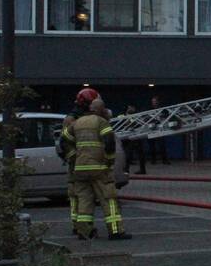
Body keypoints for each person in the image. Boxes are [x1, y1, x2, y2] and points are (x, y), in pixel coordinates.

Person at [61, 97, 131, 240]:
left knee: (84, 199)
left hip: (80, 169)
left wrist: (73, 157)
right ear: (100, 110)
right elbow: (109, 141)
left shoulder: (77, 122)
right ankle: (116, 231)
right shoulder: (101, 122)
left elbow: (64, 140)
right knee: (109, 198)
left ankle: (84, 231)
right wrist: (109, 161)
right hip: (99, 168)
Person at [57, 87, 100, 237]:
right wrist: (74, 158)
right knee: (79, 195)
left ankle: (81, 226)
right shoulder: (71, 119)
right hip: (77, 163)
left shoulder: (82, 117)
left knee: (82, 196)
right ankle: (79, 226)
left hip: (82, 162)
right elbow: (64, 143)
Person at [124, 105, 147, 175]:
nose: (129, 109)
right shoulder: (127, 115)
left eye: (130, 108)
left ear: (134, 108)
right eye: (128, 108)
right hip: (131, 137)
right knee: (130, 154)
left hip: (136, 137)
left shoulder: (136, 116)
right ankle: (126, 170)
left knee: (131, 153)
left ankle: (127, 170)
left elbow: (134, 124)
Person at [147, 96, 170, 164]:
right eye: (153, 102)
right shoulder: (149, 109)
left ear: (158, 102)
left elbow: (167, 115)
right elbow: (146, 118)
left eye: (155, 101)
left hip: (160, 129)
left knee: (162, 145)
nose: (154, 103)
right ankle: (153, 160)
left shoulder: (162, 109)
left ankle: (164, 160)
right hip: (151, 129)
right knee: (152, 146)